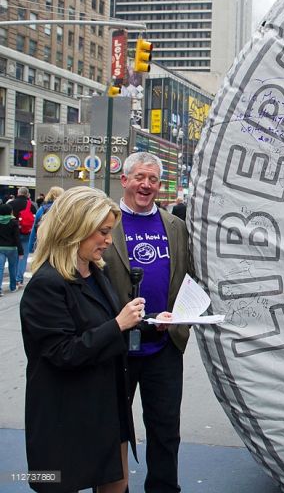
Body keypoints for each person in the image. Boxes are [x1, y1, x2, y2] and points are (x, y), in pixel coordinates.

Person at [20, 187, 147, 493]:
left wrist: (145, 324)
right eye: (102, 232)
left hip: (106, 411)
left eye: (109, 232)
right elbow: (62, 353)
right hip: (65, 417)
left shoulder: (96, 273)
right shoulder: (46, 285)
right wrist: (118, 325)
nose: (108, 241)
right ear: (75, 229)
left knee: (117, 485)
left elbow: (102, 329)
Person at [102, 151, 191, 492]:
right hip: (114, 345)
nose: (146, 185)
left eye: (153, 179)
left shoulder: (175, 226)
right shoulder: (105, 222)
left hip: (164, 347)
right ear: (124, 180)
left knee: (166, 429)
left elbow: (189, 277)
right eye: (140, 177)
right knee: (111, 428)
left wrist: (182, 317)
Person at [11, 186, 36, 287]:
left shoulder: (11, 203)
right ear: (27, 194)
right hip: (26, 232)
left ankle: (13, 279)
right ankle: (19, 278)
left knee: (13, 257)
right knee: (23, 256)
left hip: (12, 233)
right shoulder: (31, 205)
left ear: (18, 193)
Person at [27, 186, 64, 254]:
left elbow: (35, 228)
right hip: (60, 245)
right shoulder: (65, 209)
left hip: (44, 243)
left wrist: (31, 247)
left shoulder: (42, 209)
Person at [0, 203, 22, 295]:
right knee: (12, 268)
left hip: (0, 248)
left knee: (0, 268)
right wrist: (21, 251)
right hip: (12, 248)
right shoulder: (14, 222)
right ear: (10, 212)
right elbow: (17, 238)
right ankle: (13, 287)